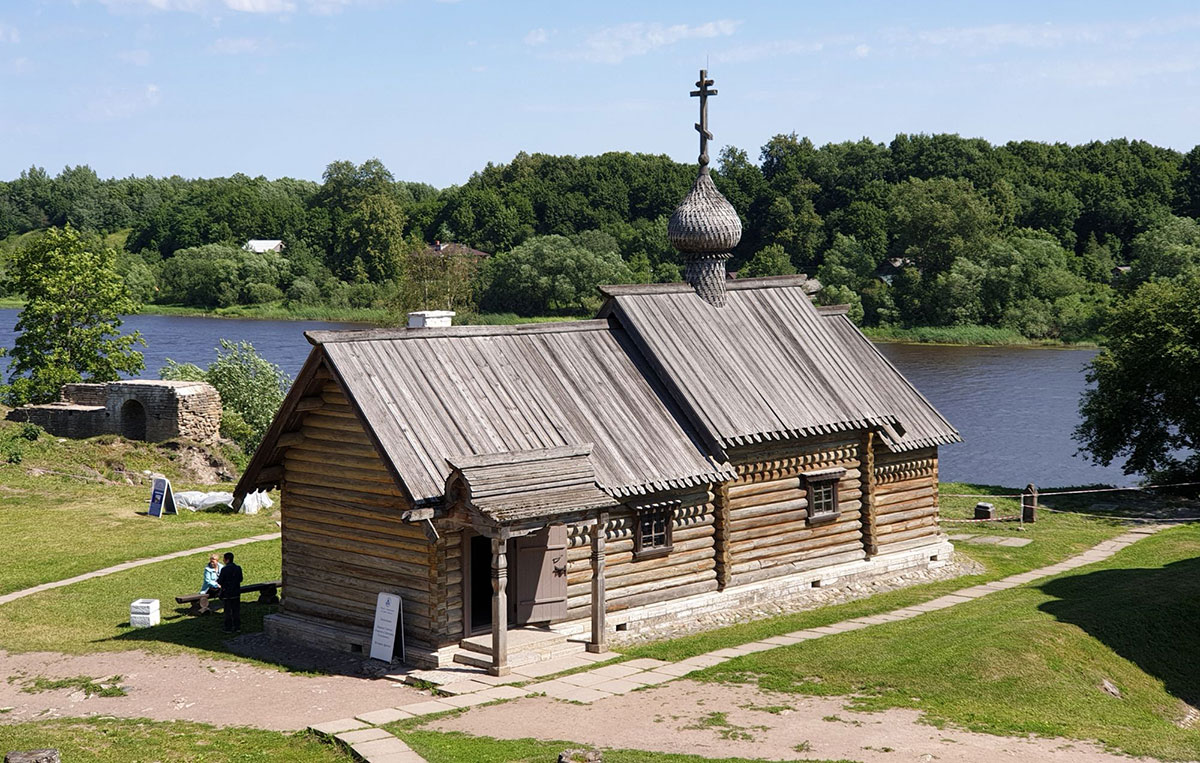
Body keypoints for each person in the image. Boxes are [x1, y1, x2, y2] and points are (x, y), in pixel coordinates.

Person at [216, 551, 243, 633]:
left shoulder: (224, 569)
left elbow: (220, 581)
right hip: (236, 592)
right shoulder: (238, 568)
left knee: (228, 611)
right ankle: (237, 627)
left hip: (227, 593)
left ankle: (228, 627)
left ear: (227, 560)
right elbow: (241, 579)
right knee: (236, 610)